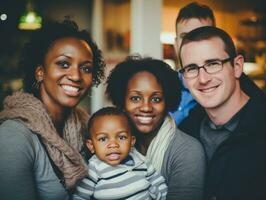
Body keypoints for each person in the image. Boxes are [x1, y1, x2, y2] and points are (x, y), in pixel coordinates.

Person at [0, 19, 105, 200]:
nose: (76, 76)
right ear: (40, 72)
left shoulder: (87, 126)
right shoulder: (14, 136)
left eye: (86, 68)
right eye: (64, 64)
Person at [178, 26, 266, 200]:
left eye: (213, 64)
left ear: (237, 66)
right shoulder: (185, 132)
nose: (203, 79)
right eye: (192, 68)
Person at [106, 55, 206, 200]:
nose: (146, 107)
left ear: (167, 102)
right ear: (122, 101)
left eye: (156, 99)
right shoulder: (110, 143)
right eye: (135, 98)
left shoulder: (187, 151)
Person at [72, 106, 167, 200]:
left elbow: (158, 182)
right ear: (91, 145)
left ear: (131, 141)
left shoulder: (140, 161)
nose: (113, 144)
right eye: (103, 139)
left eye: (121, 137)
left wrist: (159, 195)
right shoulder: (94, 169)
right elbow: (79, 196)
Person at [170, 2, 216, 125]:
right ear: (176, 44)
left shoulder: (222, 88)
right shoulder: (161, 85)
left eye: (201, 35)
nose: (191, 44)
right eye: (185, 37)